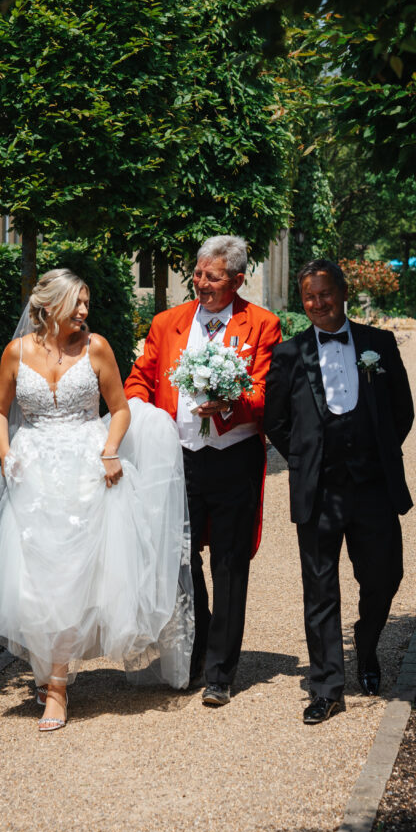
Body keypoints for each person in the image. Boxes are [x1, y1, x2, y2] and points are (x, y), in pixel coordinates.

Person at [0, 268, 193, 733]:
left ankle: (56, 688)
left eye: (87, 303)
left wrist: (110, 450)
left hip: (87, 469)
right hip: (34, 474)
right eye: (77, 303)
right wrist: (6, 453)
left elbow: (118, 409)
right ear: (50, 305)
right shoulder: (16, 353)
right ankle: (48, 671)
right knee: (38, 578)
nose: (84, 311)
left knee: (75, 576)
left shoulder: (96, 347)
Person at [124, 236, 282, 707]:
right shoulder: (167, 323)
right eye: (198, 274)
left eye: (213, 277)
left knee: (230, 563)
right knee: (181, 558)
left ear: (237, 280)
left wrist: (234, 402)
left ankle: (221, 672)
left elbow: (268, 392)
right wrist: (139, 412)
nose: (202, 283)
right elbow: (141, 378)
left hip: (234, 456)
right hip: (179, 457)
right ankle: (195, 648)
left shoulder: (262, 325)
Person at [264, 259, 414, 725]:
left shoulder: (378, 344)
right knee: (320, 589)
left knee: (385, 577)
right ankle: (327, 686)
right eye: (309, 297)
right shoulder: (289, 354)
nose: (317, 303)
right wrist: (308, 459)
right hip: (319, 491)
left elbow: (402, 411)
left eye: (325, 294)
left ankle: (366, 647)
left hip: (373, 487)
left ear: (343, 292)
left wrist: (377, 453)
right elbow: (275, 423)